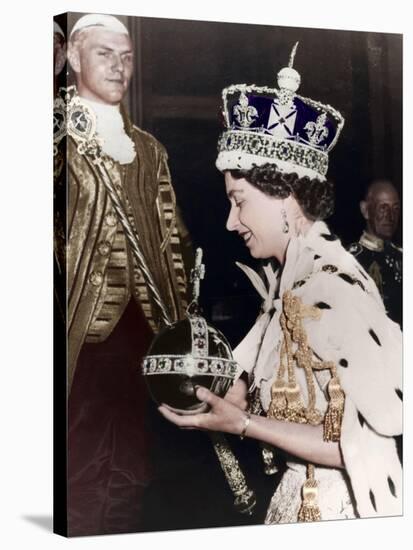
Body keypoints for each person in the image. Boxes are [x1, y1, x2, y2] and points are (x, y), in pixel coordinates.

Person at [159, 46, 402, 523]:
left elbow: (362, 444)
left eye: (239, 200)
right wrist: (235, 400)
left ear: (285, 196)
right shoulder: (293, 284)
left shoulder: (332, 288)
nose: (231, 221)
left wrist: (245, 424)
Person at [61, 13, 188, 536]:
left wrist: (180, 323)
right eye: (104, 54)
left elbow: (172, 241)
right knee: (78, 469)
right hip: (77, 331)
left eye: (127, 56)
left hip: (144, 332)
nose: (119, 67)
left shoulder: (151, 149)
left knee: (133, 472)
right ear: (73, 60)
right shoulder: (50, 136)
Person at [348, 180, 402, 327]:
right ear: (365, 210)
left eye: (395, 209)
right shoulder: (350, 261)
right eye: (383, 208)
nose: (390, 216)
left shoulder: (402, 257)